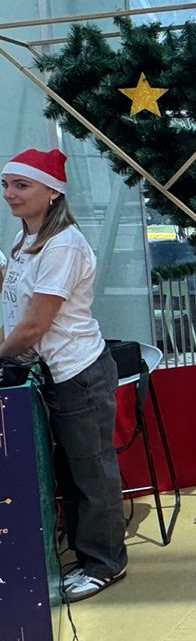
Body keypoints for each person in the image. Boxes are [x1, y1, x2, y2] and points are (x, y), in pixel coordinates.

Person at [0, 148, 125, 602]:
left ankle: (106, 564)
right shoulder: (24, 242)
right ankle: (84, 553)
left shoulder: (64, 246)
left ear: (52, 192)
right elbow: (14, 309)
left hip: (78, 373)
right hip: (48, 373)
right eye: (6, 185)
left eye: (21, 185)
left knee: (92, 472)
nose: (10, 194)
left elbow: (35, 325)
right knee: (69, 471)